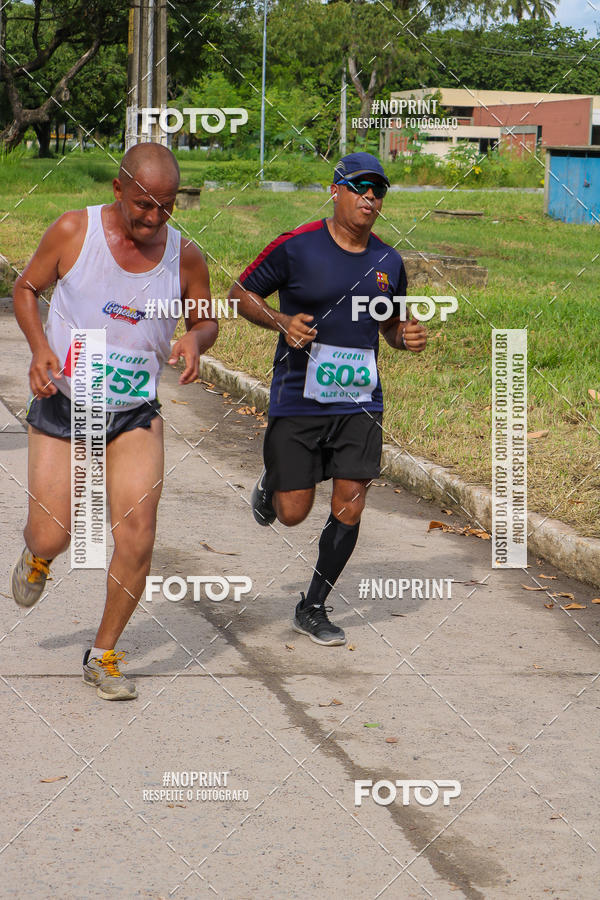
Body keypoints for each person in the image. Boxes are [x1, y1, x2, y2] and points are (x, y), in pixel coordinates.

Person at [10, 143, 217, 700]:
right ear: (118, 189)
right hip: (65, 402)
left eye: (167, 207)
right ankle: (37, 556)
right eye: (144, 204)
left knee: (138, 533)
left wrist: (196, 340)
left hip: (133, 413)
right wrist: (37, 349)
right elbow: (26, 289)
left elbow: (205, 318)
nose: (154, 218)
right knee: (54, 532)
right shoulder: (74, 233)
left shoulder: (185, 256)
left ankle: (103, 654)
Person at [228, 152, 427, 647]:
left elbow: (389, 326)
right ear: (335, 190)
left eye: (378, 190)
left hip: (360, 400)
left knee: (351, 503)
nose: (370, 197)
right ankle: (274, 479)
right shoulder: (297, 246)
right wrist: (280, 322)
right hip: (299, 396)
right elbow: (240, 293)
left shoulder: (388, 261)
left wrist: (406, 338)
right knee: (292, 511)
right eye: (360, 187)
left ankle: (313, 604)